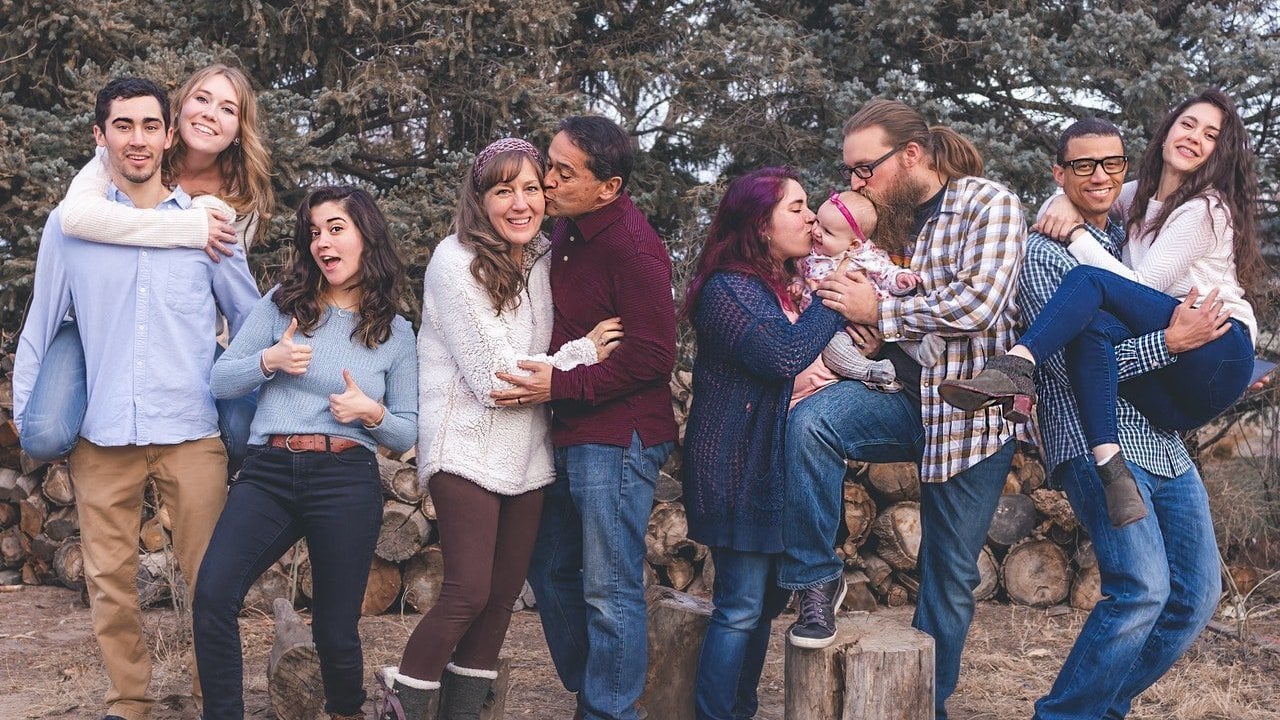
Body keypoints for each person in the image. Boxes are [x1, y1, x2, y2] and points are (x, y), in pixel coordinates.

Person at [12, 77, 260, 720]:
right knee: (110, 585)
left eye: (150, 125)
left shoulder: (208, 228)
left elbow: (251, 321)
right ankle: (130, 703)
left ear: (168, 134)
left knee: (210, 584)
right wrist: (28, 413)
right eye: (123, 125)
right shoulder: (70, 229)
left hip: (191, 431)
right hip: (104, 434)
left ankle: (218, 703)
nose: (138, 138)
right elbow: (43, 323)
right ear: (101, 137)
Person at [780, 99, 1027, 719]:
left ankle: (926, 708)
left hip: (971, 417)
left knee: (948, 577)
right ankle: (817, 580)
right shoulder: (880, 218)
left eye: (865, 168)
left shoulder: (987, 203)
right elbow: (845, 280)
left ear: (910, 155)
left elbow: (979, 308)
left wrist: (880, 314)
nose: (855, 182)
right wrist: (862, 329)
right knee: (811, 423)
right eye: (852, 171)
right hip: (898, 395)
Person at [377, 138, 622, 720]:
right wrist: (582, 353)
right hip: (462, 444)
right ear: (480, 198)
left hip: (528, 454)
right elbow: (495, 380)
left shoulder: (539, 257)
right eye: (503, 190)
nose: (520, 202)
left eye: (532, 188)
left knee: (501, 601)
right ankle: (402, 707)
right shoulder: (454, 261)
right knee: (467, 593)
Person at [940, 88, 1261, 529]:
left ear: (1217, 153)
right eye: (1187, 124)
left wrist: (1076, 237)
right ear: (1166, 130)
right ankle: (1110, 462)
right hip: (1174, 394)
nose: (1194, 138)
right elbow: (1090, 192)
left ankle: (1016, 365)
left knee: (1089, 281)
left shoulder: (1204, 208)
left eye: (1211, 135)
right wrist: (1058, 203)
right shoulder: (1140, 195)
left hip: (1217, 344)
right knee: (1088, 327)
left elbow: (1140, 285)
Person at [1016, 116, 1226, 720]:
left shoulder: (1134, 245)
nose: (1099, 175)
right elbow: (1064, 367)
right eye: (1082, 165)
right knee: (1140, 590)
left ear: (1126, 169)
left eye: (1111, 163)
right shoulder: (1044, 256)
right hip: (1090, 438)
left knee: (1195, 597)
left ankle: (1101, 710)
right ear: (1060, 174)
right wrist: (1172, 345)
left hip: (1162, 444)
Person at [193, 186, 418, 720]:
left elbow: (407, 432)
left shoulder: (396, 331)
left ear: (366, 236)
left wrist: (371, 412)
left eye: (336, 228)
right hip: (269, 472)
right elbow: (222, 379)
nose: (323, 241)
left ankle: (345, 711)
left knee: (335, 629)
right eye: (314, 231)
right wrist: (268, 360)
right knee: (213, 596)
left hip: (345, 475)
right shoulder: (281, 305)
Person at [492, 116, 677, 720]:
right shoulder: (566, 232)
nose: (545, 181)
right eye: (550, 163)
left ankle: (611, 709)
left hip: (618, 438)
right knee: (549, 569)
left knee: (609, 586)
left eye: (563, 173)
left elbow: (653, 356)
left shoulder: (634, 247)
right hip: (570, 431)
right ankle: (597, 688)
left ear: (609, 187)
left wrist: (561, 380)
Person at [19, 63, 273, 471]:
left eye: (228, 109)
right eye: (202, 99)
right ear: (178, 111)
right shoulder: (133, 152)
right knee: (45, 433)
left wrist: (257, 367)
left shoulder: (239, 203)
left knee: (245, 429)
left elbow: (237, 298)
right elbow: (76, 218)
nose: (211, 113)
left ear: (239, 128)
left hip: (181, 330)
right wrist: (189, 226)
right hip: (102, 321)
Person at [682, 167, 845, 720]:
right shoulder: (729, 289)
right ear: (760, 222)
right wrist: (835, 295)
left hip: (770, 468)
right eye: (796, 207)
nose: (810, 216)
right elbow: (781, 355)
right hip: (735, 469)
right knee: (740, 606)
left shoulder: (776, 286)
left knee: (762, 605)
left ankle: (740, 709)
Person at [799, 189, 945, 385]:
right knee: (833, 349)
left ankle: (920, 351)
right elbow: (801, 279)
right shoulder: (809, 256)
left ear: (853, 245)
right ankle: (869, 371)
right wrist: (796, 287)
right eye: (818, 222)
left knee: (898, 326)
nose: (816, 231)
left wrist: (900, 279)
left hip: (876, 311)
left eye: (827, 231)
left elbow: (885, 271)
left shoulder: (863, 255)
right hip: (837, 327)